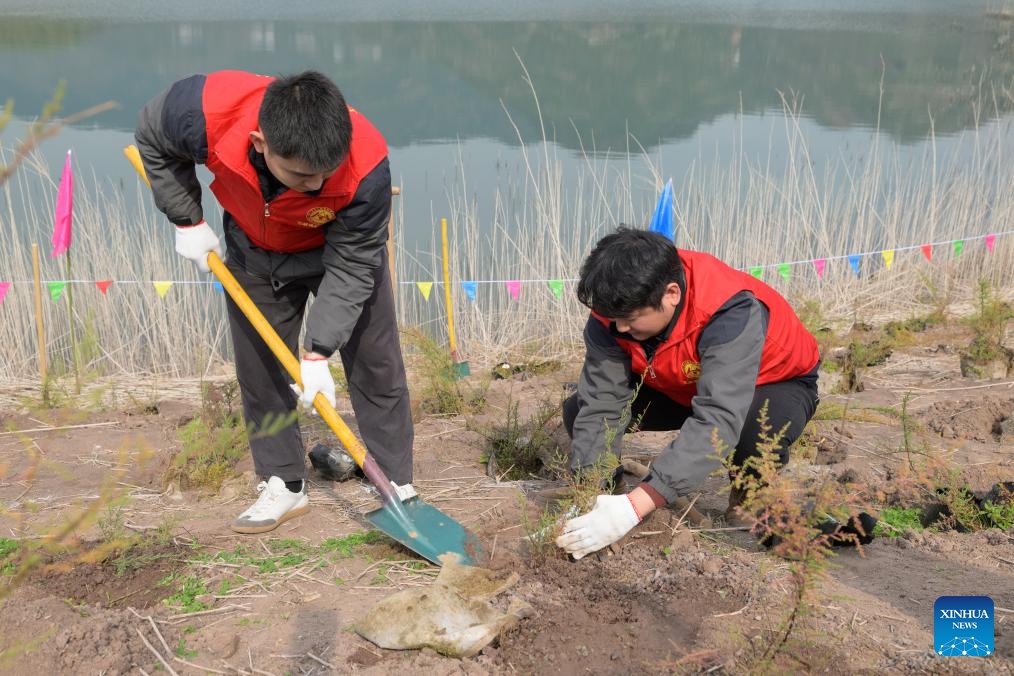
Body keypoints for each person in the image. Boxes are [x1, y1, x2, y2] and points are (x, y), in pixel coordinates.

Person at [135, 70, 413, 534]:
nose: (316, 184)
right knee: (261, 369)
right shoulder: (203, 110)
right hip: (254, 249)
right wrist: (186, 219)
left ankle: (395, 484)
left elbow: (355, 262)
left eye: (326, 172)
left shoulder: (366, 163)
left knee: (376, 363)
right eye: (303, 174)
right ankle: (284, 483)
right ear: (259, 142)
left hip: (338, 253)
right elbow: (152, 136)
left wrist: (318, 352)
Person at [555, 227, 827, 559]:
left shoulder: (729, 310)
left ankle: (747, 499)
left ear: (671, 293)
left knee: (756, 430)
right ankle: (609, 497)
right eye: (613, 319)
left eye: (628, 320)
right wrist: (592, 494)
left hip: (771, 384)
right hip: (680, 384)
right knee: (578, 410)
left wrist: (638, 505)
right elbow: (601, 403)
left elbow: (719, 417)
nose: (620, 329)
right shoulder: (613, 315)